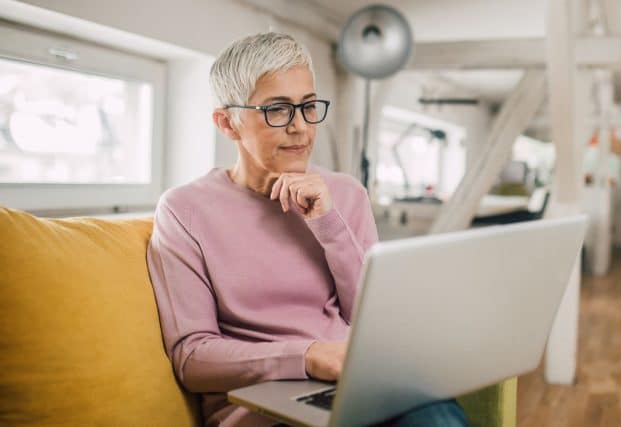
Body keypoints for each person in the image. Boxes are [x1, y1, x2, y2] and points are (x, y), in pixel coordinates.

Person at [146, 32, 469, 427]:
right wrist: (308, 356)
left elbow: (368, 318)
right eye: (278, 110)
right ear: (227, 122)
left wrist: (328, 223)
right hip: (263, 408)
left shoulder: (346, 194)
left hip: (353, 384)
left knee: (437, 418)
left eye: (308, 106)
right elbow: (193, 357)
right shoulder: (184, 210)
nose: (300, 127)